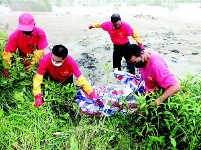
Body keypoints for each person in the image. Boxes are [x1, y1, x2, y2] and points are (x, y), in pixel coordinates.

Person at [2, 12, 48, 78]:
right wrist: (7, 70)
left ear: (34, 24)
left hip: (38, 57)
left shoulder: (40, 33)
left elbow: (40, 51)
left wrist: (32, 64)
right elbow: (7, 55)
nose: (27, 33)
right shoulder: (14, 36)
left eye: (29, 31)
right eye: (24, 31)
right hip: (24, 58)